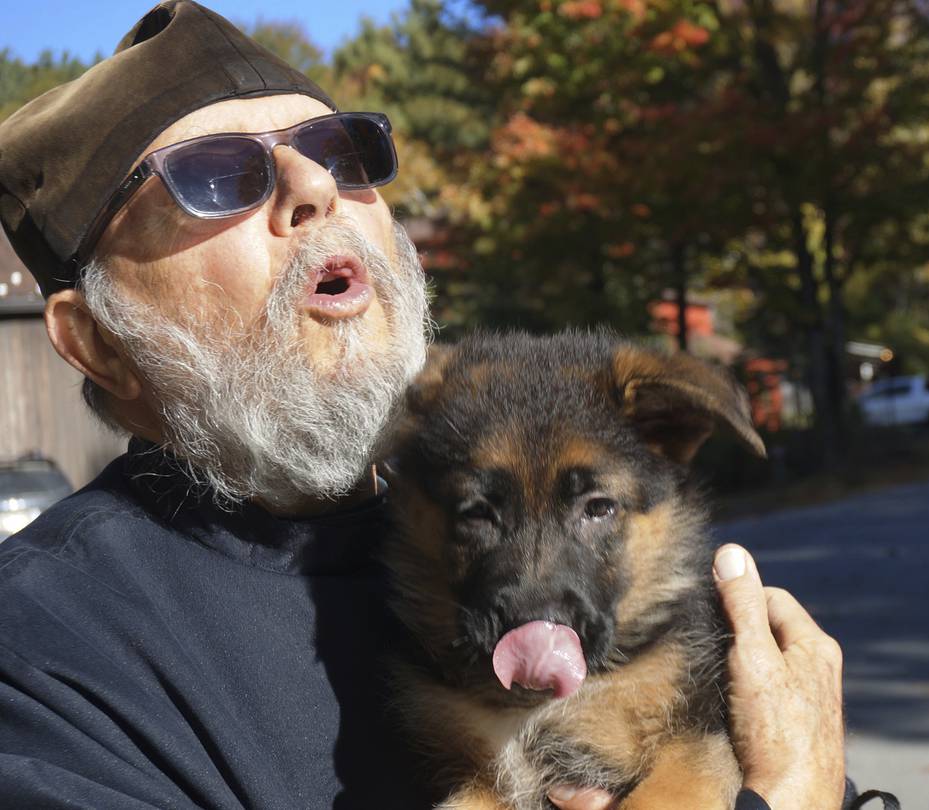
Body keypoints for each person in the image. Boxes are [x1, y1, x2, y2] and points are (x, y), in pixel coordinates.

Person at [0, 2, 849, 809]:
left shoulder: (487, 483)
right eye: (216, 177)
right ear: (96, 343)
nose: (314, 187)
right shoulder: (44, 652)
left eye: (342, 150)